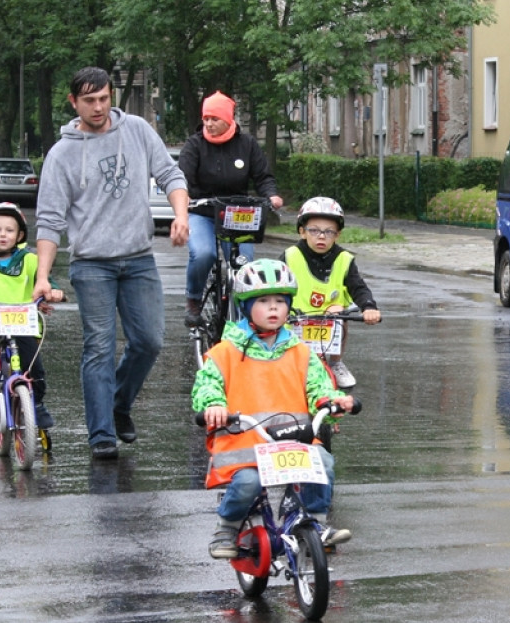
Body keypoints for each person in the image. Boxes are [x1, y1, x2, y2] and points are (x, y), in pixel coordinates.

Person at [33, 66, 190, 460]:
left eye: (104, 98)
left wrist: (181, 216)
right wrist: (42, 276)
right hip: (92, 265)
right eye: (89, 100)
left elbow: (170, 174)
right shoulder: (62, 154)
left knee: (149, 341)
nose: (98, 107)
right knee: (99, 348)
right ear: (74, 102)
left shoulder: (136, 130)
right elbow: (50, 220)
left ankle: (119, 404)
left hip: (138, 258)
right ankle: (101, 433)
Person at [192, 259, 356, 558]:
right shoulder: (224, 352)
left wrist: (332, 401)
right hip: (245, 442)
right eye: (264, 301)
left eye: (280, 301)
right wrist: (213, 405)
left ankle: (316, 524)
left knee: (323, 464)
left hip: (294, 438)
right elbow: (207, 385)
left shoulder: (300, 352)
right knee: (248, 482)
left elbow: (318, 386)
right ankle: (226, 528)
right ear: (245, 306)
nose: (273, 308)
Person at [178, 90, 283, 327]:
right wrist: (183, 198)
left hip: (238, 214)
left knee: (244, 262)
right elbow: (181, 178)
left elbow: (263, 176)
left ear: (228, 119)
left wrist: (272, 195)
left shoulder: (247, 144)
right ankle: (193, 301)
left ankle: (244, 314)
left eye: (214, 119)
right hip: (202, 211)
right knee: (204, 254)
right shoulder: (195, 145)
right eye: (206, 118)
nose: (209, 123)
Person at [0, 203, 64, 428]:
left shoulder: (30, 260)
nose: (3, 235)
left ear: (20, 235)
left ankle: (36, 403)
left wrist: (53, 291)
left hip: (23, 319)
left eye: (9, 230)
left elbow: (45, 282)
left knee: (34, 363)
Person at [281, 196, 382, 388]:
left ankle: (335, 362)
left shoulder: (344, 259)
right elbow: (274, 285)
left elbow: (358, 286)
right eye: (314, 230)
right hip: (293, 320)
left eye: (329, 232)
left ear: (338, 235)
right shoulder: (290, 256)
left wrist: (369, 307)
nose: (321, 236)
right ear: (302, 232)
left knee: (338, 312)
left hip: (329, 319)